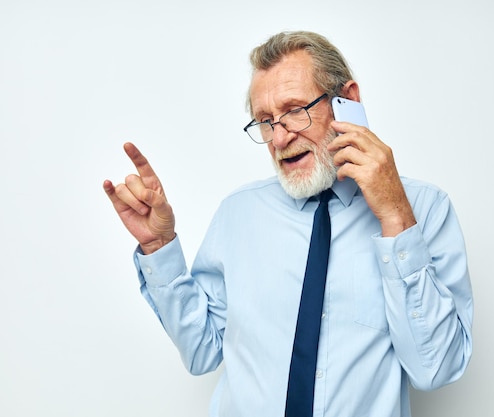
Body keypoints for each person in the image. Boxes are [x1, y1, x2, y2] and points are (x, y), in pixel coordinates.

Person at [103, 30, 473, 417]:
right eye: (265, 121)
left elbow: (438, 369)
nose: (279, 138)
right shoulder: (238, 214)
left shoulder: (425, 209)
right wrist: (158, 246)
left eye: (295, 109)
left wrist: (396, 217)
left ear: (347, 101)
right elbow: (202, 351)